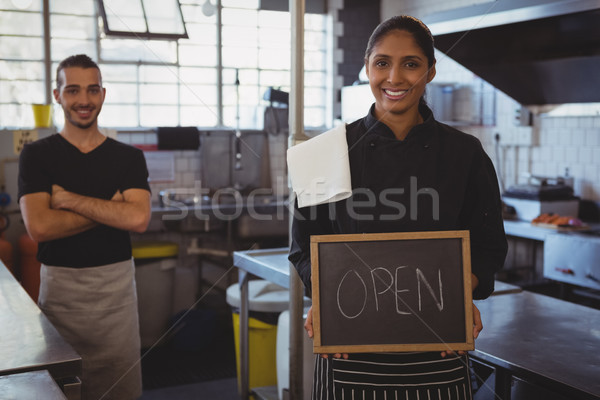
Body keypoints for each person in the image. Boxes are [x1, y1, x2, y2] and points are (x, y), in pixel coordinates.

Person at [289, 16, 508, 400]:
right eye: (382, 63)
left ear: (430, 71)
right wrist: (323, 300)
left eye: (411, 64)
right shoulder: (325, 152)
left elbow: (488, 246)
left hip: (438, 346)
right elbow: (303, 245)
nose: (395, 77)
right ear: (367, 67)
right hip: (349, 346)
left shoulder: (464, 153)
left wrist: (460, 297)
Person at [18, 54, 151, 400]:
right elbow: (40, 228)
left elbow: (138, 218)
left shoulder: (128, 157)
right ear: (57, 95)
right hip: (62, 296)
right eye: (73, 90)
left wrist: (69, 200)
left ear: (103, 95)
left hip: (116, 297)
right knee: (62, 390)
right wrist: (112, 207)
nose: (84, 100)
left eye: (92, 90)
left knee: (120, 390)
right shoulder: (36, 155)